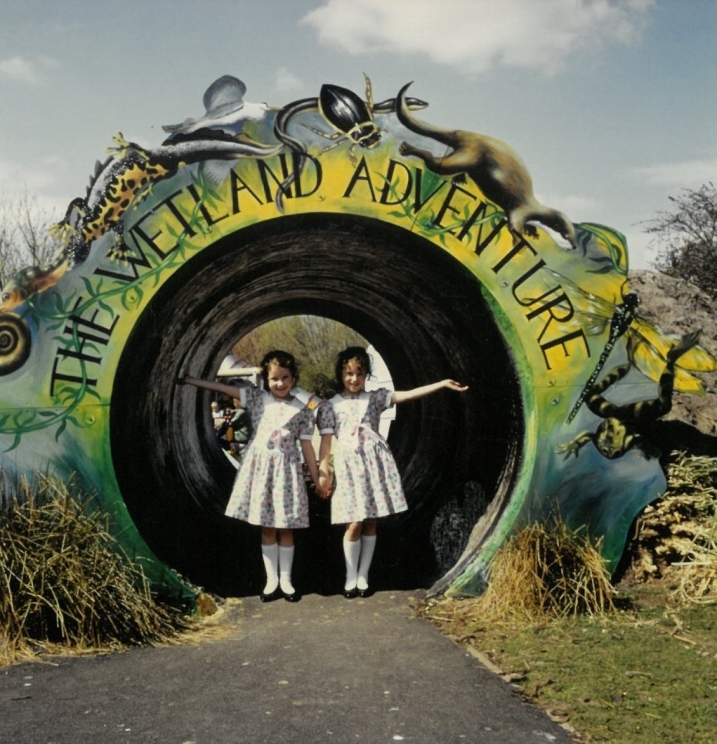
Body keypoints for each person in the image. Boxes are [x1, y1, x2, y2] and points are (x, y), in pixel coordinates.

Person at [317, 346, 468, 598]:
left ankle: (363, 575)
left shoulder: (375, 398)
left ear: (366, 375)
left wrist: (441, 384)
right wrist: (324, 473)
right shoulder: (330, 406)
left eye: (359, 373)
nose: (354, 379)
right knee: (353, 522)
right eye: (348, 373)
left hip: (375, 464)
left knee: (371, 521)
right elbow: (324, 443)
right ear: (340, 374)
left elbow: (408, 395)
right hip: (349, 467)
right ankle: (350, 574)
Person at [179, 350, 327, 602]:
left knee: (287, 526)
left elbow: (308, 448)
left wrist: (319, 476)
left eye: (285, 378)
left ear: (293, 378)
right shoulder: (257, 399)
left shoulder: (302, 411)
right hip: (262, 473)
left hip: (287, 474)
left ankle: (287, 581)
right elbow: (224, 389)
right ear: (266, 380)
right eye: (274, 379)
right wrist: (191, 380)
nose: (280, 383)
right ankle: (271, 582)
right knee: (268, 526)